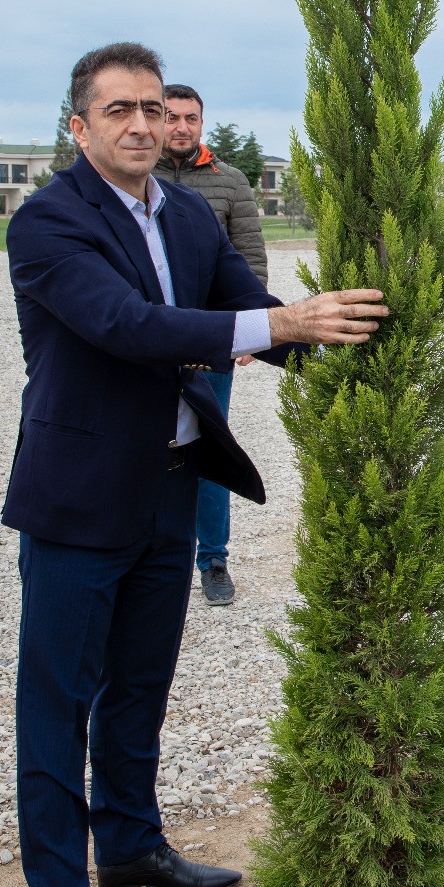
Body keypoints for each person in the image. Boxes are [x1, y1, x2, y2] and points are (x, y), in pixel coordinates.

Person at [3, 41, 388, 887]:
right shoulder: (48, 223)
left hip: (172, 482)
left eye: (151, 108)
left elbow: (243, 304)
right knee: (57, 704)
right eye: (119, 111)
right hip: (78, 495)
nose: (140, 126)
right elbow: (128, 328)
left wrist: (345, 341)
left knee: (140, 684)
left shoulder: (183, 214)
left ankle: (131, 846)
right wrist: (281, 326)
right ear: (78, 126)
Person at [157, 85, 266, 607]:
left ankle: (213, 559)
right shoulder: (136, 176)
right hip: (150, 337)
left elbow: (248, 259)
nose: (180, 127)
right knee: (147, 443)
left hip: (210, 339)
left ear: (202, 123)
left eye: (190, 118)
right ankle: (153, 555)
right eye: (170, 116)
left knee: (208, 445)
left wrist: (254, 331)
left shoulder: (230, 182)